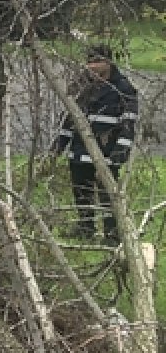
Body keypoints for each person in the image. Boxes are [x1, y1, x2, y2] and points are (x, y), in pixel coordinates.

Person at [53, 46, 138, 242]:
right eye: (89, 62)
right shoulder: (80, 87)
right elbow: (69, 119)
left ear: (108, 63)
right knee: (81, 193)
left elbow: (128, 123)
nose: (91, 67)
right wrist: (59, 145)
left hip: (106, 153)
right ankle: (86, 228)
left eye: (96, 62)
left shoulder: (123, 88)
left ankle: (112, 233)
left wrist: (119, 153)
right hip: (79, 151)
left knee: (107, 196)